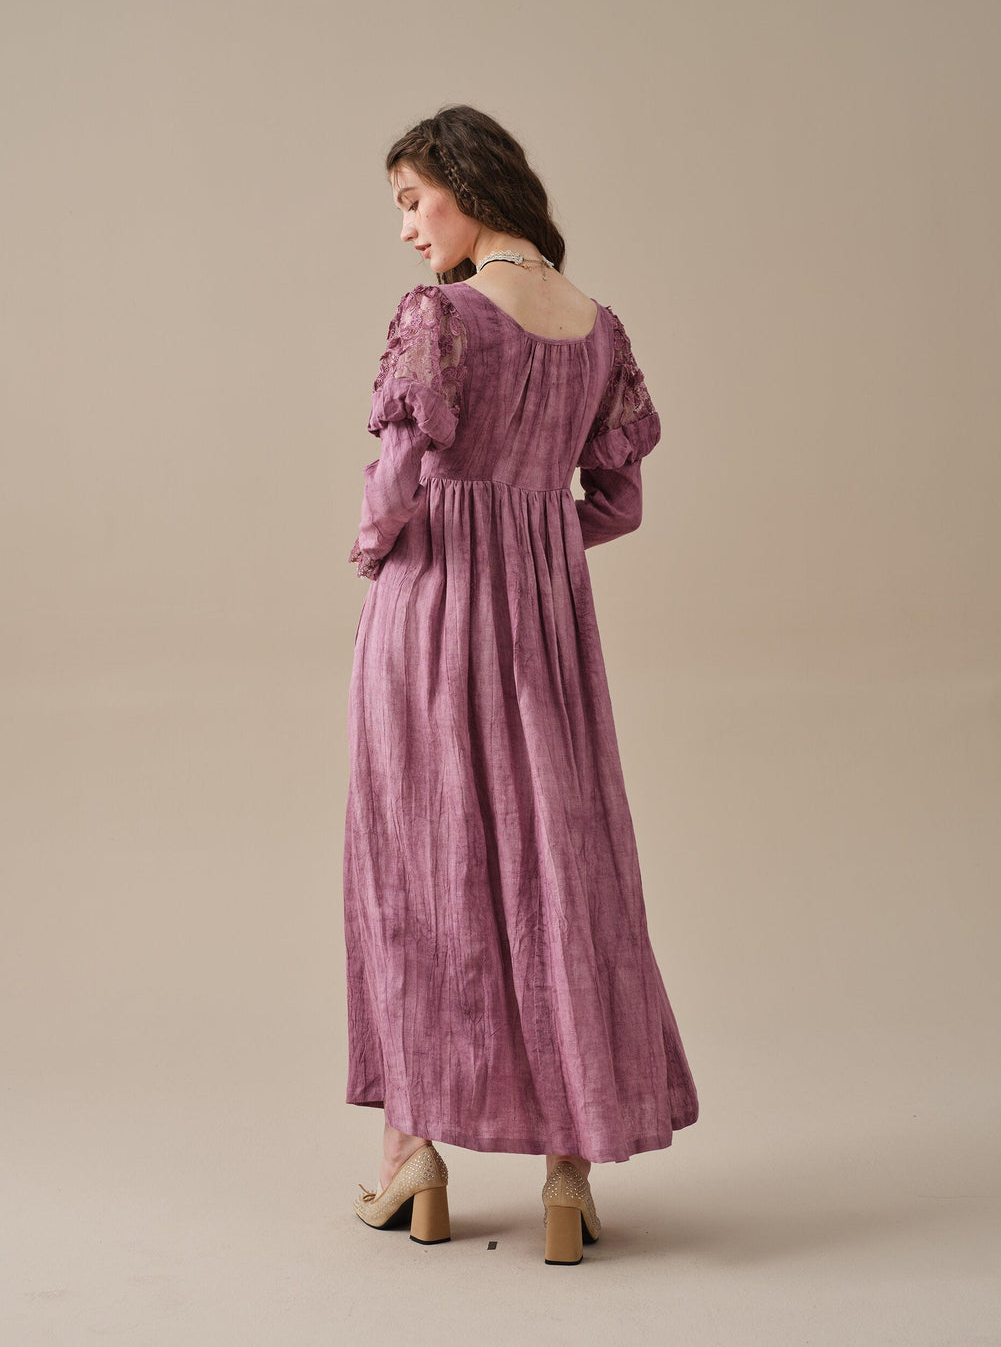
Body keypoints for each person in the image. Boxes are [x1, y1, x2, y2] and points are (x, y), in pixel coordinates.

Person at [344, 104, 699, 1264]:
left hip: (431, 613)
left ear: (467, 181)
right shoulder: (598, 329)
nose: (407, 228)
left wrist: (381, 546)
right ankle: (569, 1176)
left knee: (419, 862)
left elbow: (395, 485)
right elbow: (619, 502)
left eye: (413, 199)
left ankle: (413, 1157)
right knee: (561, 864)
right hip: (547, 629)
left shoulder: (441, 316)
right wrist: (532, 542)